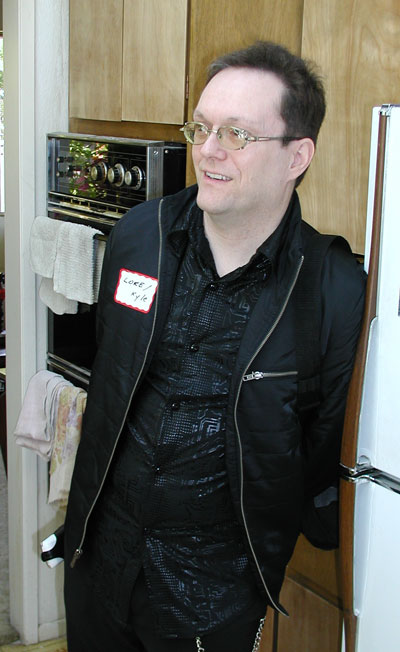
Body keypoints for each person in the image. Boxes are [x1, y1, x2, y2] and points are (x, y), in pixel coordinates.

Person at [63, 41, 366, 651]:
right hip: (101, 561)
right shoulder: (138, 236)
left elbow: (320, 445)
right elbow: (113, 373)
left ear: (297, 156)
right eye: (201, 127)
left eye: (237, 134)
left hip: (214, 594)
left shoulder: (333, 288)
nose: (207, 150)